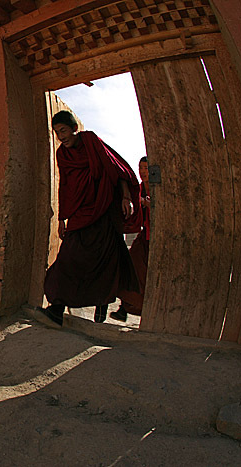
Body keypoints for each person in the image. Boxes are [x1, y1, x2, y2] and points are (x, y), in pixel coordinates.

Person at [42, 111, 141, 326]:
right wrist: (62, 218)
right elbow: (66, 186)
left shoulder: (92, 142)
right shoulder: (63, 154)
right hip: (80, 215)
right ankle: (57, 308)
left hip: (103, 212)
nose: (61, 137)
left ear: (74, 128)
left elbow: (118, 170)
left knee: (104, 263)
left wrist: (126, 197)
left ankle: (101, 307)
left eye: (64, 131)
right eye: (57, 133)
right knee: (67, 260)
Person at [111, 157, 150, 321]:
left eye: (146, 168)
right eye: (140, 168)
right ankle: (124, 307)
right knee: (131, 266)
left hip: (154, 237)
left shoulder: (159, 187)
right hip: (145, 236)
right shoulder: (139, 188)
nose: (142, 172)